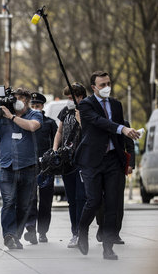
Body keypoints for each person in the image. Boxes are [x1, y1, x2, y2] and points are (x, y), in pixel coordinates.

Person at [75, 71, 140, 260]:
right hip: (92, 160)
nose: (106, 88)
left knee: (113, 204)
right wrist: (122, 128)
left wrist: (128, 137)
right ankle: (82, 230)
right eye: (102, 85)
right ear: (93, 87)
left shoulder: (116, 105)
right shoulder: (86, 105)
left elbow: (119, 131)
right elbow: (100, 122)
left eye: (108, 83)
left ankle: (108, 247)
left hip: (113, 160)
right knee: (94, 201)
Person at [0, 88, 42, 250]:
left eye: (18, 99)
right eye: (13, 98)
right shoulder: (4, 116)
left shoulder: (34, 114)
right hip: (7, 167)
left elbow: (32, 127)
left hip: (28, 167)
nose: (14, 101)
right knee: (9, 202)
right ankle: (9, 235)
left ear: (25, 100)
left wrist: (12, 117)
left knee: (24, 205)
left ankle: (16, 235)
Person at [52, 83, 87, 248]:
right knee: (71, 199)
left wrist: (81, 121)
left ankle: (82, 232)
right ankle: (74, 232)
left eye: (71, 97)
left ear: (80, 97)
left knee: (82, 198)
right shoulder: (65, 111)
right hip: (67, 161)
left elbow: (91, 133)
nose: (68, 101)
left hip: (82, 160)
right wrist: (55, 149)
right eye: (67, 97)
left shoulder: (87, 110)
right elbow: (59, 131)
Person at [23, 92, 57, 245]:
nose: (35, 108)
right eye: (33, 106)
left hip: (46, 165)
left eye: (38, 106)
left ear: (43, 106)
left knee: (45, 200)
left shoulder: (49, 123)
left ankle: (43, 231)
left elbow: (57, 142)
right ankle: (31, 229)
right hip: (29, 164)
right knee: (30, 198)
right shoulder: (24, 121)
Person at [95, 120, 136, 244]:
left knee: (117, 201)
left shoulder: (123, 124)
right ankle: (102, 226)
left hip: (117, 166)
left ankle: (115, 233)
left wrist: (130, 164)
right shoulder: (97, 121)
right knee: (99, 200)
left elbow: (130, 146)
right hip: (98, 166)